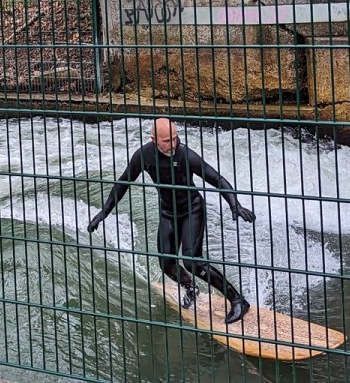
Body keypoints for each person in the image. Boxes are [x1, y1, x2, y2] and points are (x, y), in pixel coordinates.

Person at [87, 117, 256, 325]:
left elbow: (216, 178)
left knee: (192, 260)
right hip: (168, 213)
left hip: (192, 210)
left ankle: (237, 299)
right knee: (166, 263)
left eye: (175, 138)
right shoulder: (144, 156)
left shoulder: (185, 155)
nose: (173, 144)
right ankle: (191, 289)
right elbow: (123, 183)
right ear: (154, 139)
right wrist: (104, 212)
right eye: (167, 141)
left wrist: (234, 205)